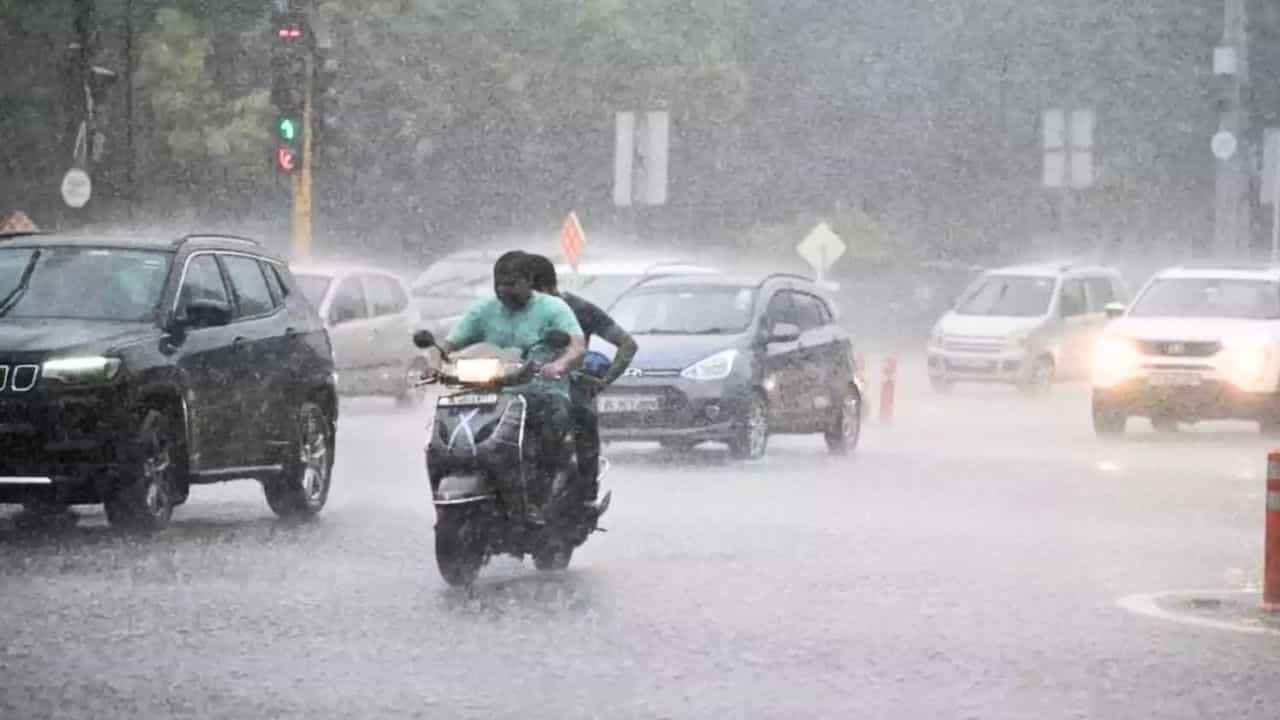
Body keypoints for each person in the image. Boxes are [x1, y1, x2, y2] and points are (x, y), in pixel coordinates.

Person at [432, 251, 586, 494]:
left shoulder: (552, 308)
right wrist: (437, 360)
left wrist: (559, 365)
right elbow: (449, 344)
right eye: (500, 285)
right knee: (445, 426)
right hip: (491, 393)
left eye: (512, 284)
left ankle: (543, 489)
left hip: (541, 391)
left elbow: (577, 346)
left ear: (528, 281)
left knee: (548, 427)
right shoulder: (484, 310)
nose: (504, 291)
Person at [522, 254, 638, 501]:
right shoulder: (509, 313)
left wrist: (604, 381)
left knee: (582, 418)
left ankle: (587, 493)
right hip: (519, 386)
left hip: (566, 385)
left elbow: (627, 344)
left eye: (525, 290)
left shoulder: (578, 309)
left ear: (545, 287)